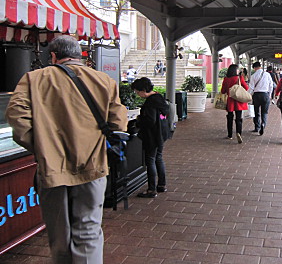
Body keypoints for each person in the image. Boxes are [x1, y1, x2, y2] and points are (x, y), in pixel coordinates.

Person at [5, 35, 128, 264]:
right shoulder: (103, 80)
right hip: (92, 165)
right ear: (80, 54)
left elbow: (16, 117)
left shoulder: (33, 79)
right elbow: (118, 123)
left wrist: (43, 146)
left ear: (53, 56)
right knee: (89, 229)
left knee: (59, 233)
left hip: (53, 169)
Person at [131, 77, 170, 198]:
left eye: (137, 91)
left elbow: (150, 121)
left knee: (150, 160)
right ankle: (161, 185)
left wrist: (138, 122)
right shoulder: (159, 98)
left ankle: (151, 190)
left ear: (143, 90)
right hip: (161, 134)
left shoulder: (150, 102)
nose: (137, 94)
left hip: (152, 135)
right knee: (158, 158)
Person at [220, 64, 249, 143]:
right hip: (239, 100)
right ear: (235, 70)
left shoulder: (226, 79)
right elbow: (246, 88)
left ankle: (230, 135)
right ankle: (238, 133)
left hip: (230, 101)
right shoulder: (239, 78)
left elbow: (223, 91)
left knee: (229, 117)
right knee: (238, 118)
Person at [248, 61, 274, 135]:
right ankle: (263, 124)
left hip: (256, 95)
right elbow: (271, 85)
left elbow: (251, 88)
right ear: (260, 66)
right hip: (265, 94)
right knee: (264, 112)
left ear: (254, 68)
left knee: (256, 112)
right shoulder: (267, 74)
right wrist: (269, 94)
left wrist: (248, 96)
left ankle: (257, 127)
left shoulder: (253, 76)